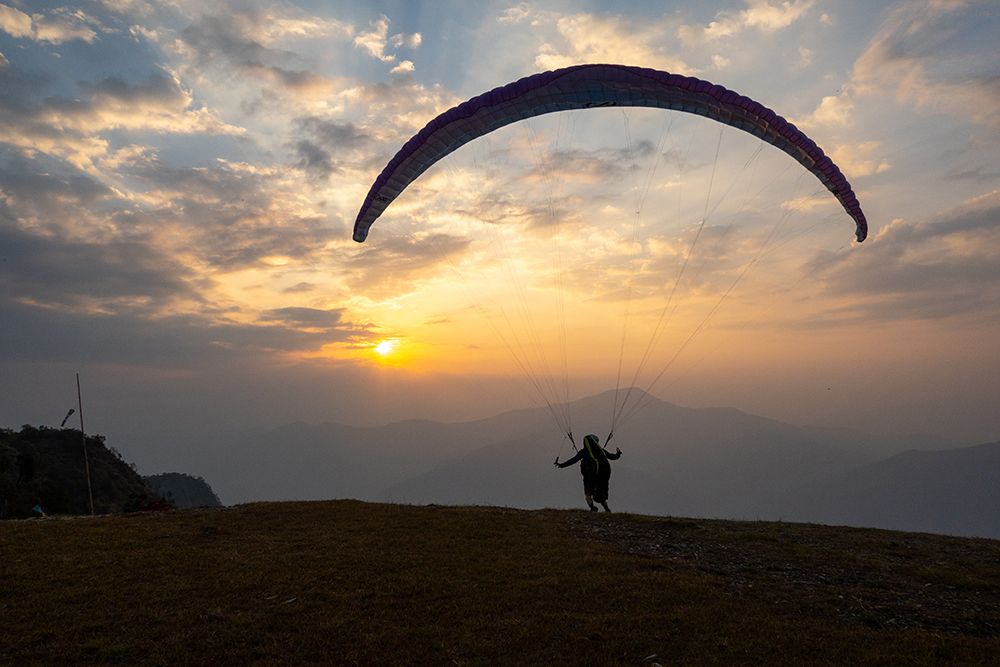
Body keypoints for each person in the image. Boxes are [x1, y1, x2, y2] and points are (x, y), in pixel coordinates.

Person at [554, 433, 621, 512]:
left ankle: (592, 507)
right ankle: (606, 508)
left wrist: (561, 465)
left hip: (588, 477)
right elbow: (612, 457)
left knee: (588, 493)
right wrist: (618, 454)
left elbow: (573, 460)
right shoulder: (601, 451)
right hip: (601, 475)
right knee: (599, 491)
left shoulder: (583, 452)